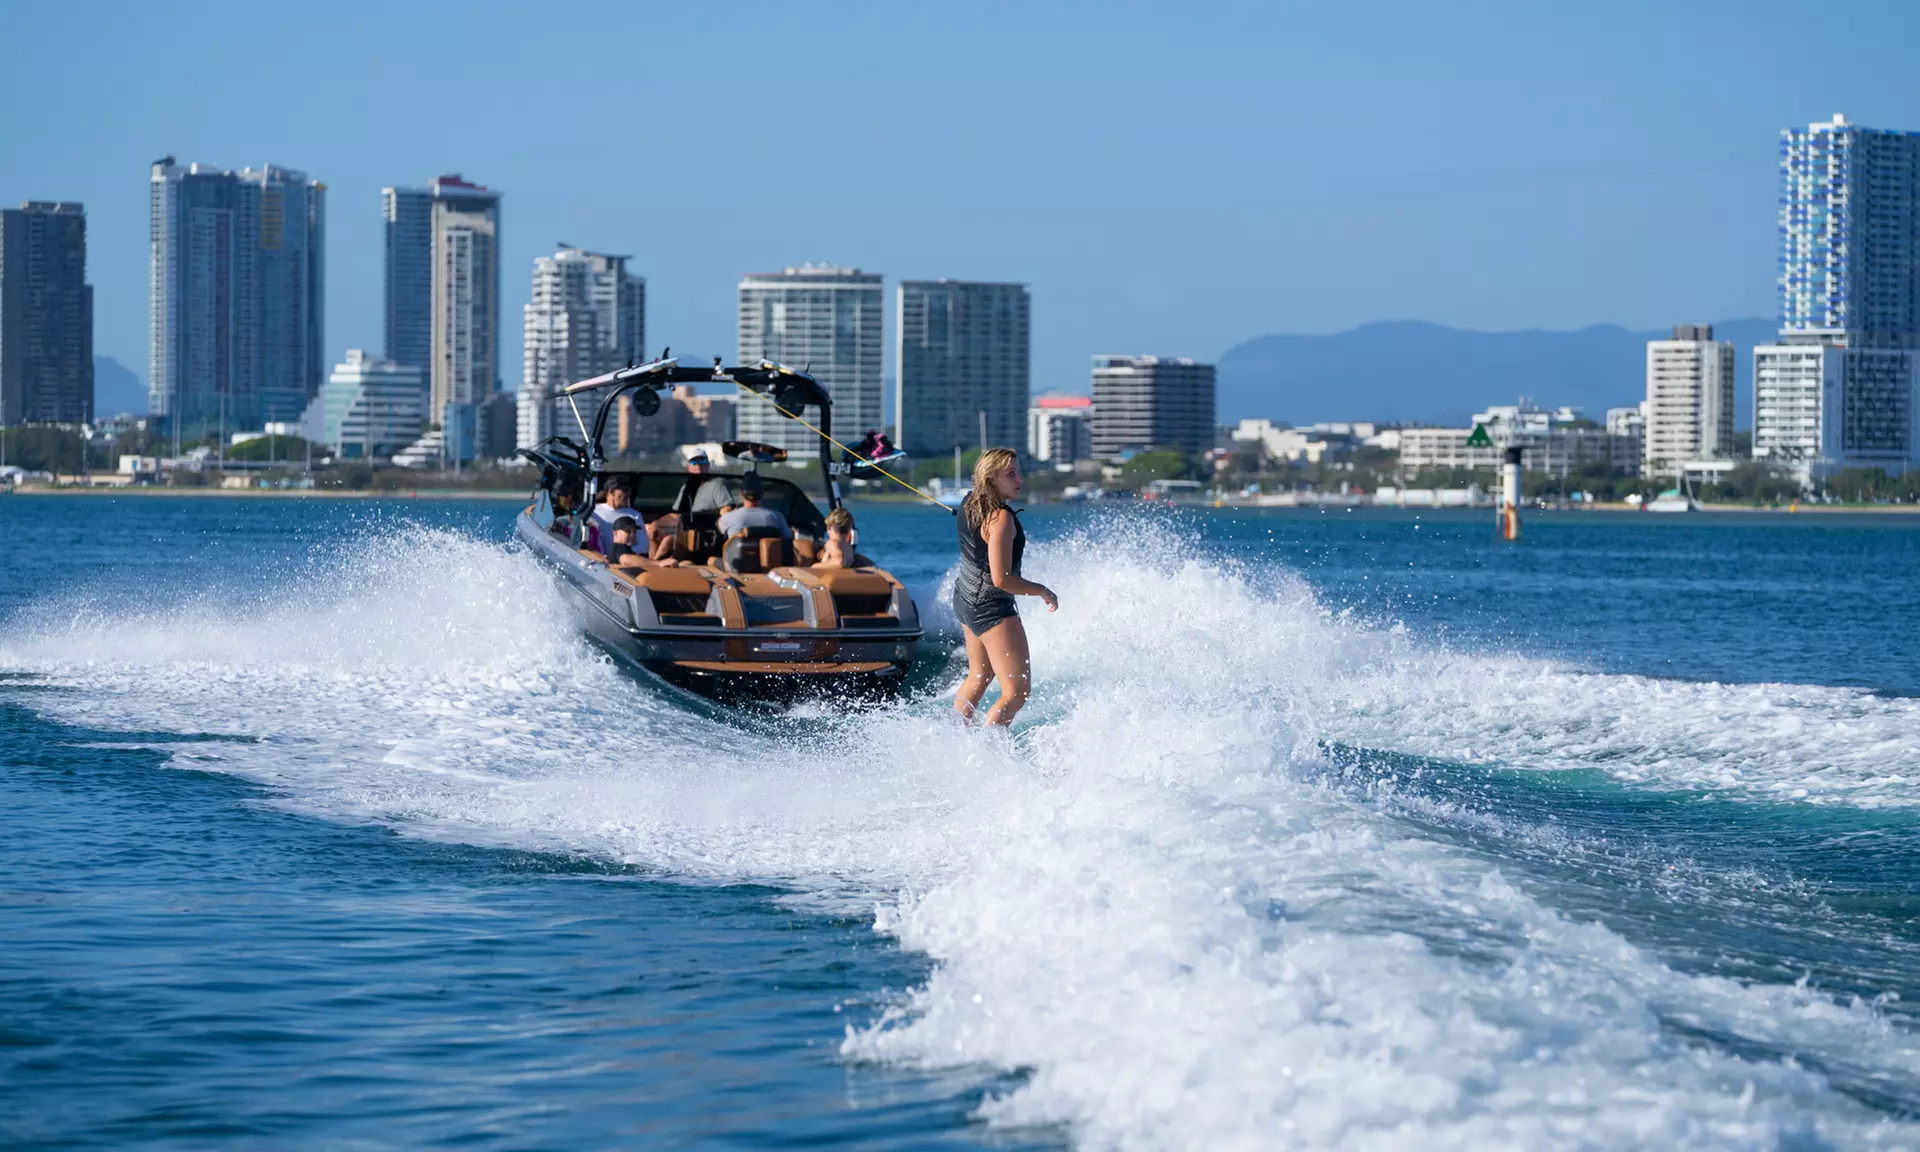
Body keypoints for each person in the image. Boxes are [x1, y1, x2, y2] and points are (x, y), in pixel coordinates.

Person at [953, 448, 1057, 727]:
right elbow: (1002, 579)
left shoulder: (968, 502)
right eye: (1010, 474)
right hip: (991, 608)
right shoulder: (1001, 518)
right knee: (1016, 693)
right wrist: (1042, 590)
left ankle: (951, 738)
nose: (1019, 479)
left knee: (979, 675)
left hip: (964, 599)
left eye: (1019, 472)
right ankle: (989, 754)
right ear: (990, 480)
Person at [716, 472, 791, 539]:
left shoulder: (730, 517)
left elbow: (719, 526)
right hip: (770, 554)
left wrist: (725, 514)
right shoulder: (778, 517)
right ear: (762, 494)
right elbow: (788, 541)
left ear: (742, 494)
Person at [589, 479, 648, 555]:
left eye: (629, 490)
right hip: (600, 562)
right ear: (611, 491)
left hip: (627, 561)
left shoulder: (635, 515)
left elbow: (644, 546)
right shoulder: (592, 512)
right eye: (625, 490)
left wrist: (623, 556)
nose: (628, 493)